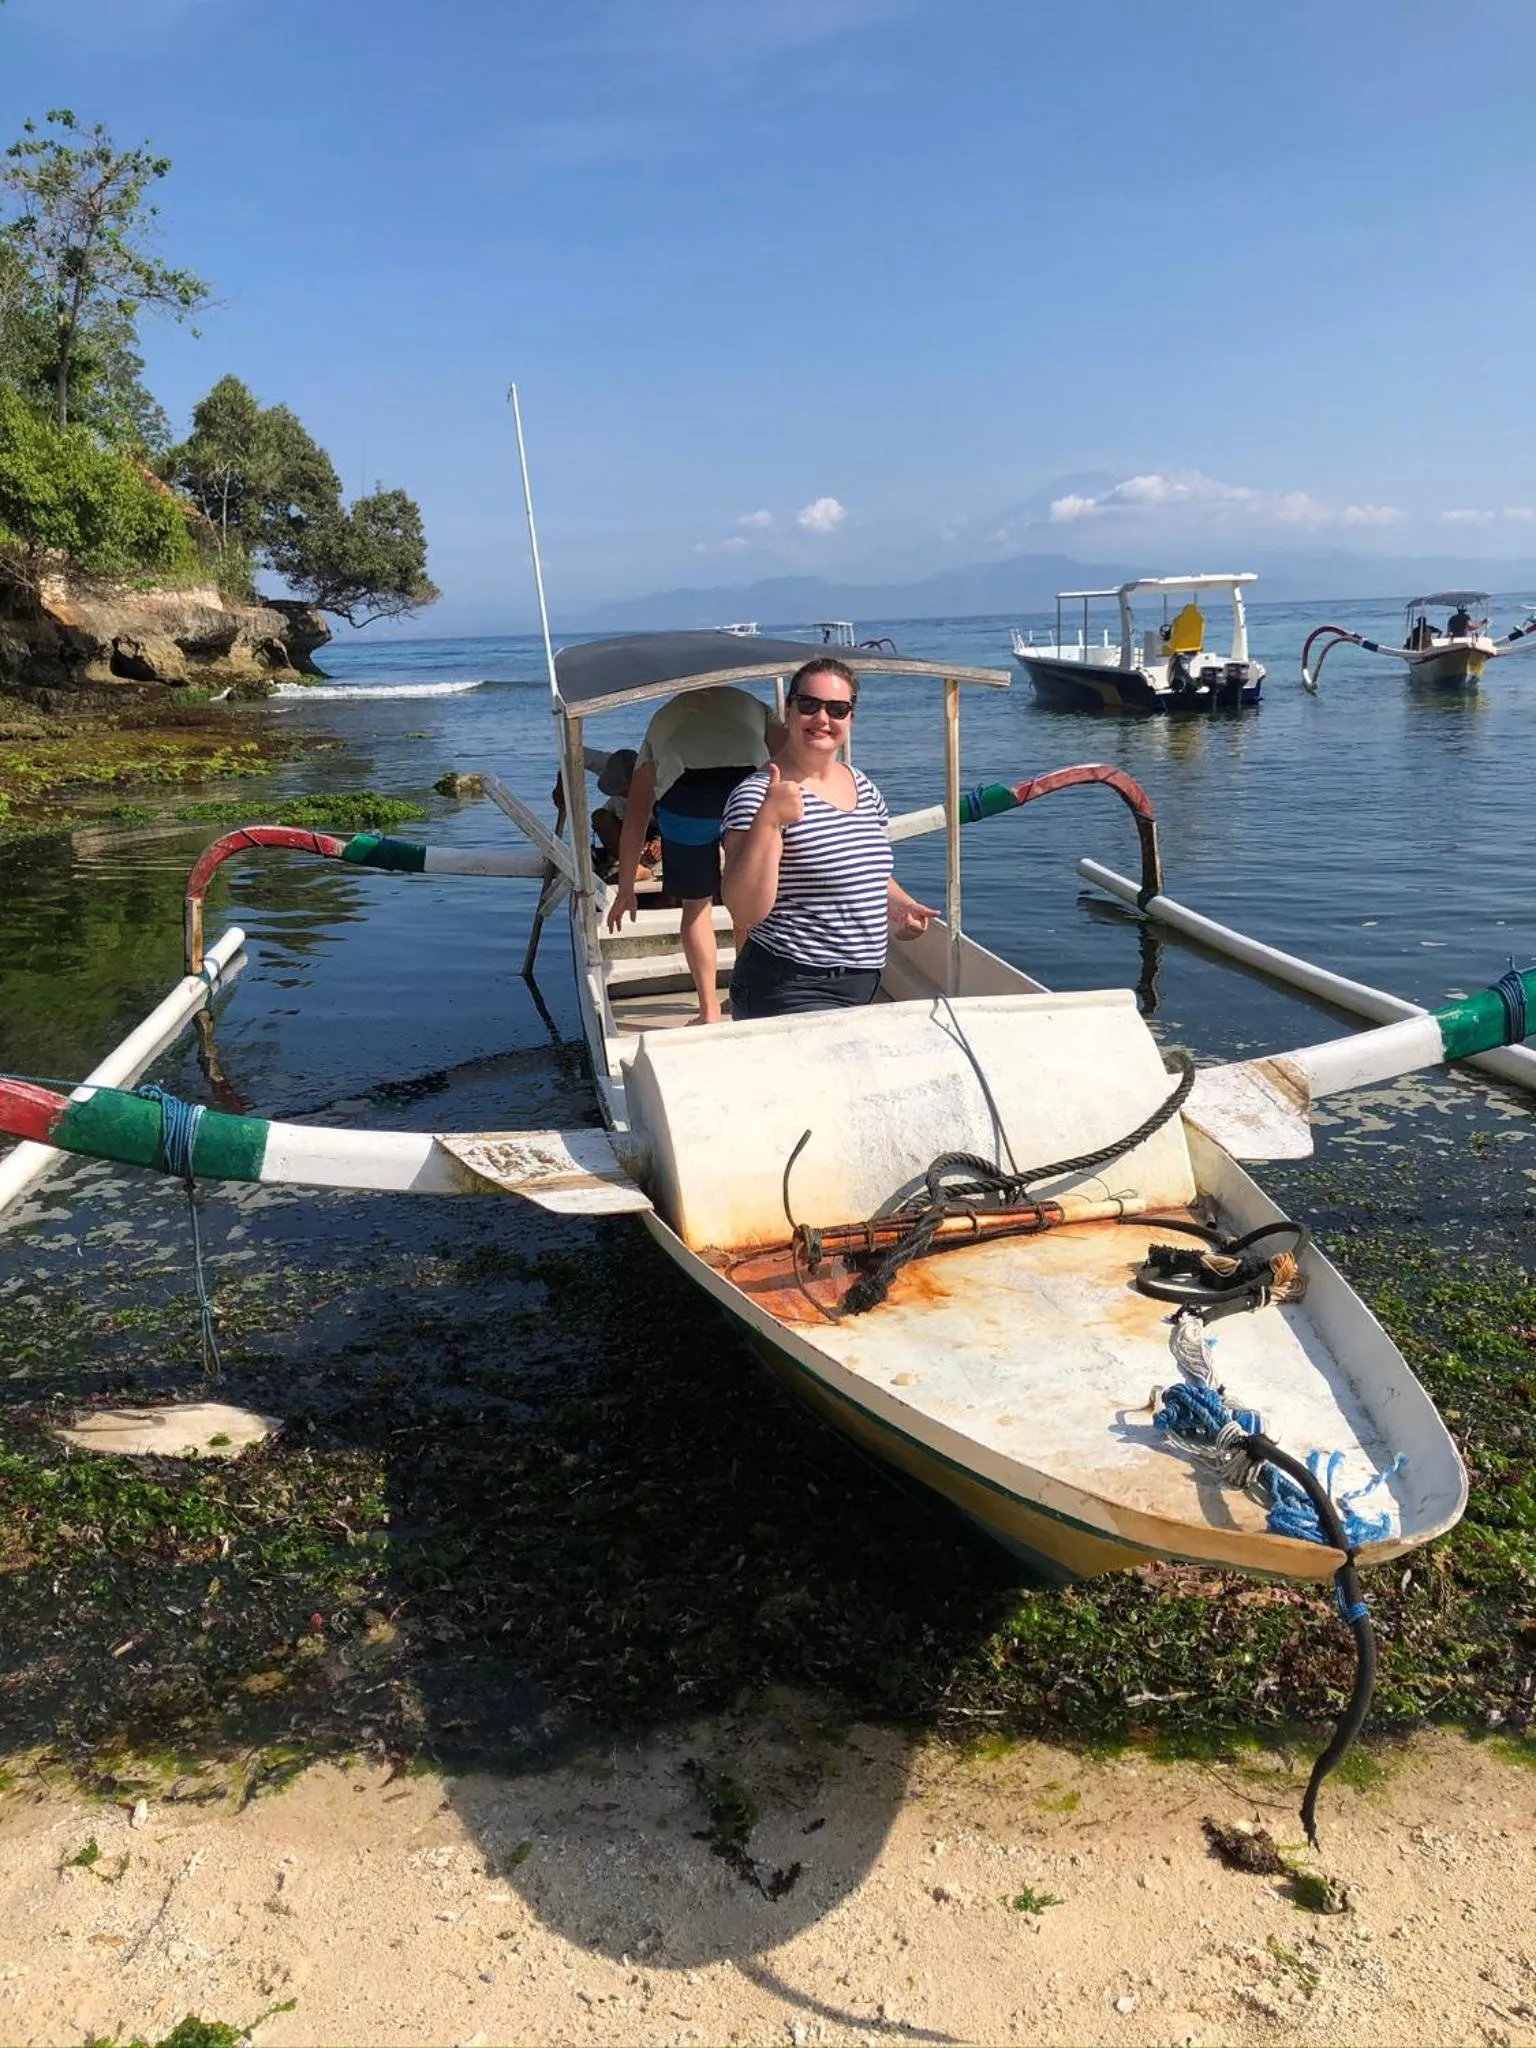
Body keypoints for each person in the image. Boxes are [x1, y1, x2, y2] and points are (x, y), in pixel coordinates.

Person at [721, 657, 937, 1020]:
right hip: (790, 984)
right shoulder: (757, 795)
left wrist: (900, 906)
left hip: (862, 981)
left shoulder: (863, 786)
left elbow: (867, 870)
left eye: (837, 709)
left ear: (850, 718)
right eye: (809, 705)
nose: (822, 718)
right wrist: (769, 820)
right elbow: (744, 911)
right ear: (788, 710)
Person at [606, 685, 779, 1024]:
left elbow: (638, 814)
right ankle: (745, 1000)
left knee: (696, 906)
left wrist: (626, 888)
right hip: (746, 789)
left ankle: (709, 1011)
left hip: (685, 800)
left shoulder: (663, 716)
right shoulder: (755, 705)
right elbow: (792, 761)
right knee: (745, 906)